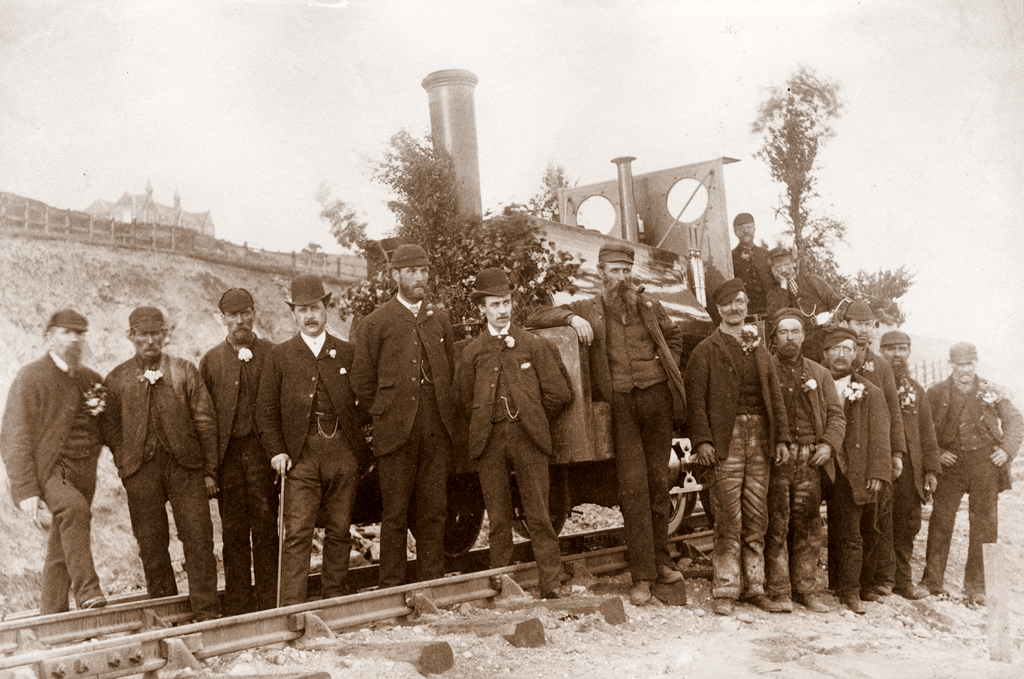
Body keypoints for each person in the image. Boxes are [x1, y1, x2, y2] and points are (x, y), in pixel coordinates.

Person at [528, 242, 687, 606]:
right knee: (633, 489)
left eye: (626, 270)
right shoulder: (588, 308)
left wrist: (667, 369)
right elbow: (536, 316)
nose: (621, 277)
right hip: (622, 406)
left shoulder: (650, 305)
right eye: (615, 271)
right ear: (602, 273)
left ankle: (661, 562)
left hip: (657, 400)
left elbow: (674, 336)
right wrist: (570, 319)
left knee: (659, 484)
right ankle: (642, 576)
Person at [455, 268, 574, 599]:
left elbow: (560, 393)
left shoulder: (532, 345)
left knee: (538, 514)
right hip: (489, 441)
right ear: (483, 309)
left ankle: (551, 584)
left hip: (528, 438)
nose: (502, 310)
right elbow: (463, 400)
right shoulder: (473, 352)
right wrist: (487, 419)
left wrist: (531, 416)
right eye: (494, 304)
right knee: (498, 519)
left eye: (506, 302)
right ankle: (502, 586)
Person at [256, 274, 370, 606]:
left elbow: (365, 401)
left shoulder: (348, 353)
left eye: (315, 308)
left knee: (339, 532)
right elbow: (265, 411)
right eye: (302, 310)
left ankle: (333, 600)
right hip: (300, 456)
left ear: (326, 309)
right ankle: (292, 606)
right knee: (297, 533)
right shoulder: (280, 356)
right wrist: (277, 450)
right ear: (293, 313)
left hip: (342, 454)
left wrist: (354, 448)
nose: (309, 316)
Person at [102, 306, 220, 621]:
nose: (150, 341)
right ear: (131, 337)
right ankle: (166, 612)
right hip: (141, 472)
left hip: (186, 468)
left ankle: (206, 611)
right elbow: (110, 427)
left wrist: (209, 471)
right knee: (151, 543)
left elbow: (205, 420)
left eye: (156, 333)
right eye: (142, 334)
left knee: (198, 537)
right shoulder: (117, 378)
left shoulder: (185, 370)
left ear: (165, 335)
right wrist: (125, 462)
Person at [351, 244, 457, 588]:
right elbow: (362, 382)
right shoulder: (376, 322)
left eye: (424, 270)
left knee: (434, 509)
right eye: (411, 271)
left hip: (434, 430)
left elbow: (449, 371)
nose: (419, 277)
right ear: (395, 275)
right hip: (394, 433)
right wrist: (385, 414)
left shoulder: (438, 319)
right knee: (394, 513)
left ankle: (432, 581)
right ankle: (391, 584)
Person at [684, 278, 791, 616]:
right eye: (729, 303)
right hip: (725, 439)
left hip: (759, 437)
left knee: (757, 516)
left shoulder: (759, 348)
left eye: (741, 302)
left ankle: (756, 587)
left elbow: (774, 396)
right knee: (728, 517)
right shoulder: (705, 351)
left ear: (746, 307)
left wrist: (782, 438)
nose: (736, 308)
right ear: (718, 310)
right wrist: (702, 440)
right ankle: (726, 589)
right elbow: (695, 402)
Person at [0, 309, 107, 614]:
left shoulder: (91, 379)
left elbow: (108, 427)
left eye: (80, 333)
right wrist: (27, 491)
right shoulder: (30, 377)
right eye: (66, 332)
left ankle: (52, 616)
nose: (74, 339)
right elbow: (13, 436)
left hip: (86, 472)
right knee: (74, 510)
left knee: (62, 543)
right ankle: (87, 592)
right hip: (52, 471)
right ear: (48, 338)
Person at [922, 342, 1024, 605]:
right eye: (959, 364)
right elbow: (923, 428)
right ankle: (932, 581)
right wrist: (939, 452)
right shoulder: (936, 392)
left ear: (975, 363)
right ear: (951, 365)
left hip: (984, 463)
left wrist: (1007, 450)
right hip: (952, 464)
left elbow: (1015, 420)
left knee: (985, 523)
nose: (964, 370)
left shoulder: (991, 390)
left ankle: (978, 587)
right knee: (941, 519)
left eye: (969, 364)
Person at [199, 288, 278, 615]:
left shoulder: (273, 354)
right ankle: (238, 605)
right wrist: (209, 469)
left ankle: (270, 601)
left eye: (245, 312)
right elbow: (202, 417)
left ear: (254, 313)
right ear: (223, 319)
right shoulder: (211, 360)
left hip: (263, 457)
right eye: (233, 315)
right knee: (232, 531)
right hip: (228, 459)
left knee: (265, 527)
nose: (240, 320)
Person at [764, 309, 845, 613]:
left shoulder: (819, 373)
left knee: (809, 526)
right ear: (774, 338)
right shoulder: (765, 369)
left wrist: (828, 445)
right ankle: (779, 590)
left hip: (810, 459)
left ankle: (805, 590)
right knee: (776, 523)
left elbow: (836, 415)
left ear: (803, 335)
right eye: (783, 332)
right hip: (778, 458)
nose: (789, 338)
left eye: (795, 331)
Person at [820, 327, 891, 614]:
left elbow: (880, 435)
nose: (841, 354)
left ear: (856, 354)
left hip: (851, 471)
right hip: (819, 465)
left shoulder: (870, 391)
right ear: (825, 353)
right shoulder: (811, 382)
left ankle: (850, 590)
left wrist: (878, 471)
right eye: (835, 348)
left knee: (852, 530)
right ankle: (827, 584)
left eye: (848, 349)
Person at [839, 300, 906, 601]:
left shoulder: (881, 366)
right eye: (857, 323)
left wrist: (895, 454)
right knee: (843, 521)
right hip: (840, 452)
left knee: (876, 519)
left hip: (869, 454)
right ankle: (839, 581)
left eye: (867, 324)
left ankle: (877, 579)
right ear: (846, 324)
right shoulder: (836, 358)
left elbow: (892, 412)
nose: (862, 330)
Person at [877, 330, 940, 600]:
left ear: (909, 352)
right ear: (881, 352)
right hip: (879, 465)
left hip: (910, 470)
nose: (897, 354)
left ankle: (902, 582)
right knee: (879, 522)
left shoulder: (916, 389)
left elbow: (927, 432)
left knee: (906, 525)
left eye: (902, 348)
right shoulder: (873, 382)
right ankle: (878, 580)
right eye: (891, 349)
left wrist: (931, 470)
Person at [764, 246, 844, 363]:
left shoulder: (813, 281)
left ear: (794, 264)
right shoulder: (774, 294)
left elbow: (837, 303)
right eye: (778, 267)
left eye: (786, 264)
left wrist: (833, 318)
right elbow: (776, 316)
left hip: (826, 339)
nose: (783, 270)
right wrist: (783, 285)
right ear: (773, 271)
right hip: (800, 348)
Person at [730, 213, 773, 317]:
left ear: (754, 229)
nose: (745, 231)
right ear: (735, 232)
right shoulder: (731, 257)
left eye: (749, 227)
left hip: (769, 310)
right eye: (741, 228)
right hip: (745, 312)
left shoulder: (766, 254)